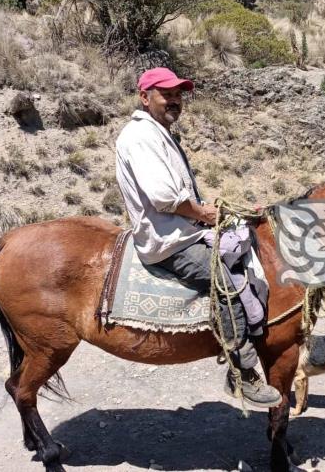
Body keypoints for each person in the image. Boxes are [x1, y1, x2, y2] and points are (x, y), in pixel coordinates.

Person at [115, 67, 281, 408]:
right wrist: (205, 214)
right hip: (168, 241)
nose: (175, 100)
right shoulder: (140, 136)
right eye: (166, 94)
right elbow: (164, 198)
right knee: (224, 280)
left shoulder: (160, 132)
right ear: (145, 98)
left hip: (182, 230)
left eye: (178, 94)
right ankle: (242, 372)